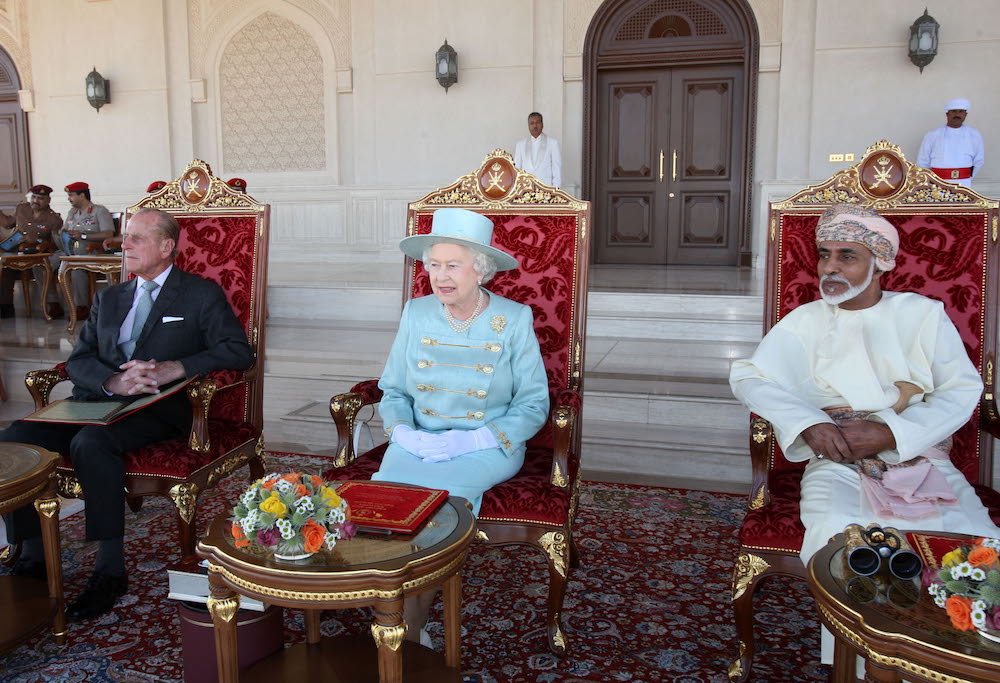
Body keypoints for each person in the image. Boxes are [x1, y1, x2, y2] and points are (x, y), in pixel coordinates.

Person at [729, 204, 1000, 664]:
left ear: (880, 262)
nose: (830, 267)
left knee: (973, 541)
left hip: (921, 457)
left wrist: (891, 430)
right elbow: (750, 376)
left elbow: (961, 390)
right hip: (836, 460)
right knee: (840, 536)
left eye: (847, 256)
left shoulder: (922, 315)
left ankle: (955, 662)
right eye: (824, 254)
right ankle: (853, 664)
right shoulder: (806, 321)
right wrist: (809, 423)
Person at [0, 208, 253, 620]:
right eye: (125, 236)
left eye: (136, 237)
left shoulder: (198, 294)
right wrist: (110, 382)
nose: (124, 244)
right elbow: (80, 359)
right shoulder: (110, 296)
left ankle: (109, 569)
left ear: (166, 247)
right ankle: (31, 553)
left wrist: (178, 367)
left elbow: (239, 351)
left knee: (91, 443)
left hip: (155, 408)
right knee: (12, 439)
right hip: (94, 400)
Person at [375, 207, 549, 643]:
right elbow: (393, 391)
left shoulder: (513, 319)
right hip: (417, 440)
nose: (440, 276)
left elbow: (533, 404)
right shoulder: (416, 313)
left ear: (481, 269)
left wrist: (471, 439)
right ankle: (385, 608)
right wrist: (402, 432)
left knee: (438, 514)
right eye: (434, 265)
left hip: (484, 445)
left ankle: (407, 631)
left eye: (453, 265)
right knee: (383, 509)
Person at [53, 181, 116, 320]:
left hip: (90, 251)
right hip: (69, 250)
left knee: (76, 269)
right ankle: (52, 304)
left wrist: (83, 236)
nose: (69, 199)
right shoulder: (72, 212)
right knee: (46, 263)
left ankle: (81, 307)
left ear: (82, 195)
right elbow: (66, 230)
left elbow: (108, 234)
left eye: (71, 195)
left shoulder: (99, 211)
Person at [0, 184, 62, 318]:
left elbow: (55, 244)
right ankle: (6, 307)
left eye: (40, 198)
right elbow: (7, 223)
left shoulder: (54, 219)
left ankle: (53, 304)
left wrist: (37, 240)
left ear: (48, 201)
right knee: (5, 267)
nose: (35, 201)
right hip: (16, 251)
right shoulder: (22, 209)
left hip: (36, 254)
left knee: (39, 267)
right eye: (33, 197)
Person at [916, 97, 985, 189]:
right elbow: (923, 162)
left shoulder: (974, 135)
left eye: (961, 111)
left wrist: (967, 177)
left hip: (964, 183)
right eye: (954, 111)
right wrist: (931, 181)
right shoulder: (933, 135)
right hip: (937, 184)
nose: (957, 114)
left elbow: (978, 160)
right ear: (947, 114)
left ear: (965, 115)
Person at [513, 112, 562, 187]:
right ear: (528, 125)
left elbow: (557, 169)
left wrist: (556, 191)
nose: (535, 126)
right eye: (532, 123)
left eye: (537, 122)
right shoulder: (520, 145)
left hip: (546, 190)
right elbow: (517, 170)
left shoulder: (553, 143)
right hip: (526, 190)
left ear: (542, 124)